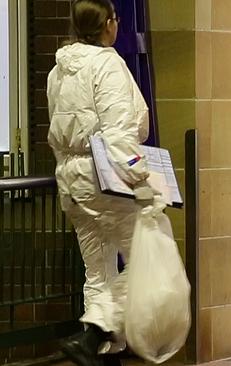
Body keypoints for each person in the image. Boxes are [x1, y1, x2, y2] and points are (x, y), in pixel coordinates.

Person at [47, 1, 155, 365]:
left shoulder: (58, 71)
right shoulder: (108, 64)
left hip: (72, 181)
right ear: (107, 24)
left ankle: (100, 352)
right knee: (147, 260)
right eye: (115, 20)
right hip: (104, 177)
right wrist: (143, 181)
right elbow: (119, 134)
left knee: (99, 270)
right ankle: (95, 333)